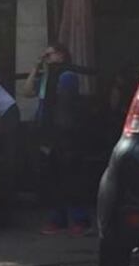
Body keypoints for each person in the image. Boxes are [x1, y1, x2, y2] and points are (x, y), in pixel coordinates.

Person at [22, 42, 89, 236]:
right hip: (47, 132)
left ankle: (79, 219)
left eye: (49, 55)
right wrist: (36, 69)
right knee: (53, 178)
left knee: (70, 177)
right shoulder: (46, 78)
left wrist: (61, 133)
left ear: (60, 56)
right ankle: (58, 219)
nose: (46, 59)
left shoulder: (66, 76)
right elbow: (27, 92)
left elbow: (65, 106)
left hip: (63, 135)